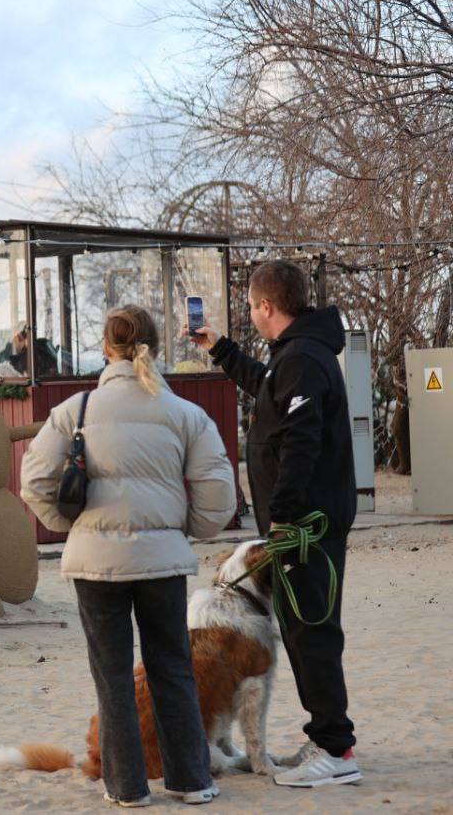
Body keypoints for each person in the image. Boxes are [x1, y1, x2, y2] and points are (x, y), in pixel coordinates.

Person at [19, 305, 234, 807]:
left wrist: (71, 526)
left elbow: (33, 481)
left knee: (112, 676)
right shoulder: (184, 412)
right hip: (162, 561)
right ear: (156, 349)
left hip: (96, 564)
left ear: (104, 349)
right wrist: (186, 531)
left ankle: (127, 788)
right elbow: (218, 493)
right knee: (173, 669)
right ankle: (191, 780)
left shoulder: (78, 409)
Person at [189, 260, 361, 788]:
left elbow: (301, 439)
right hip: (297, 528)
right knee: (302, 629)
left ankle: (336, 750)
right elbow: (268, 389)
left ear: (266, 306)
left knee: (313, 634)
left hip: (306, 528)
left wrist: (283, 519)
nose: (251, 314)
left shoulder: (305, 359)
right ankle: (326, 735)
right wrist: (220, 350)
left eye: (250, 307)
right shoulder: (295, 357)